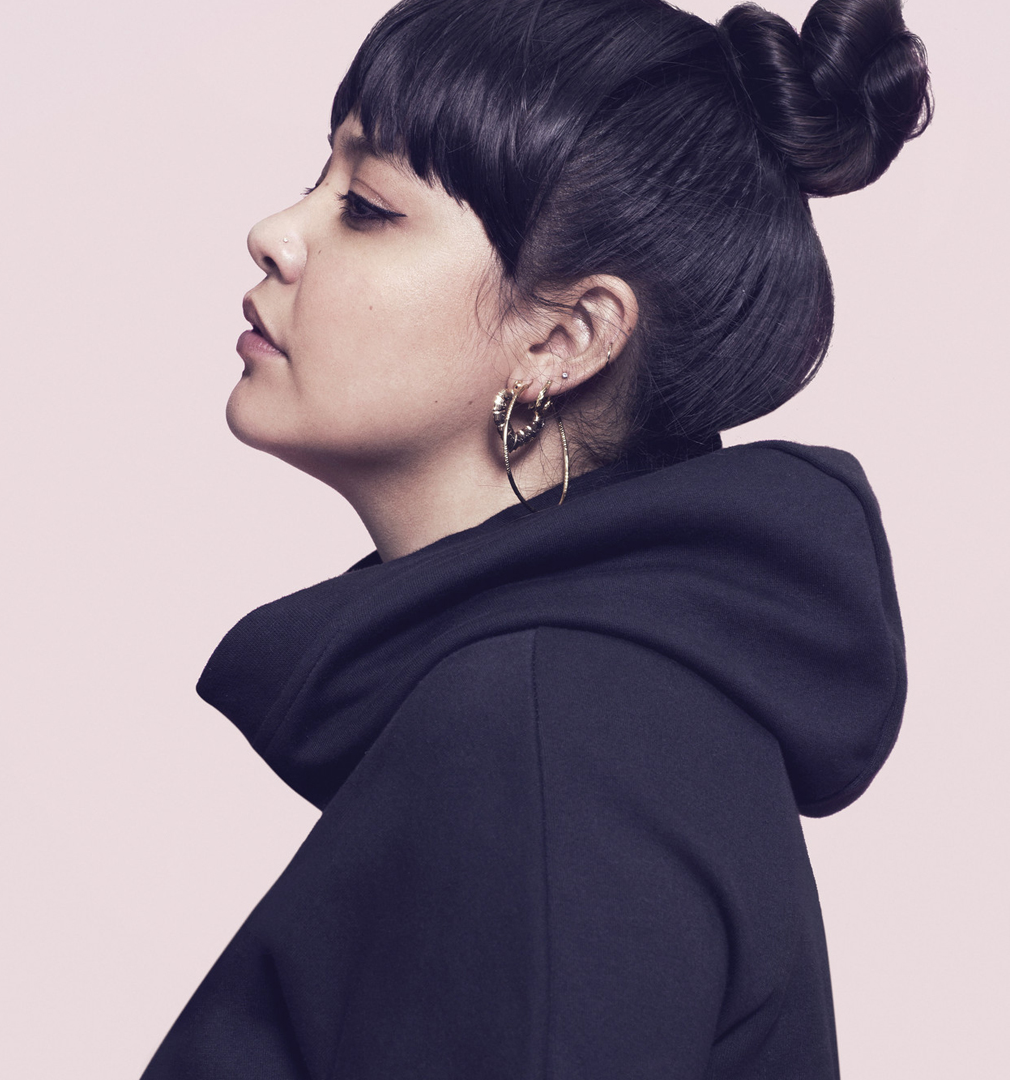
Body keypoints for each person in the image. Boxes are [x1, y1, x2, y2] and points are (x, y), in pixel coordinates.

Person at [140, 0, 931, 1075]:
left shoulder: (548, 734)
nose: (275, 233)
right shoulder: (579, 706)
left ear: (563, 338)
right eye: (318, 179)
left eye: (367, 206)